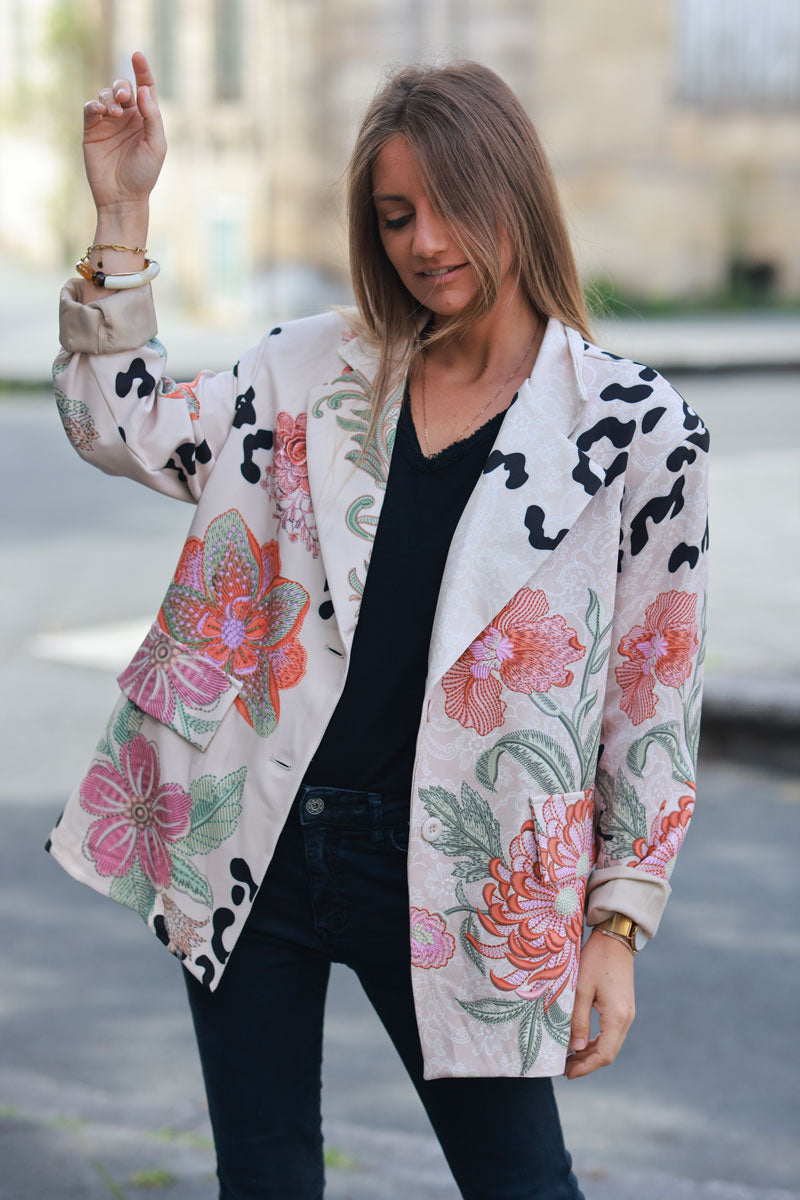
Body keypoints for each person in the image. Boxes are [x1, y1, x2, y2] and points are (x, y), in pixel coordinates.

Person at [47, 51, 710, 1200]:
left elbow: (653, 690)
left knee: (520, 1184)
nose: (422, 242)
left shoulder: (632, 428)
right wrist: (121, 211)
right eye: (395, 215)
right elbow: (123, 423)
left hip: (466, 859)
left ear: (514, 192)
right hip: (258, 826)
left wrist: (619, 923)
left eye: (449, 206)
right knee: (262, 1175)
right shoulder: (308, 371)